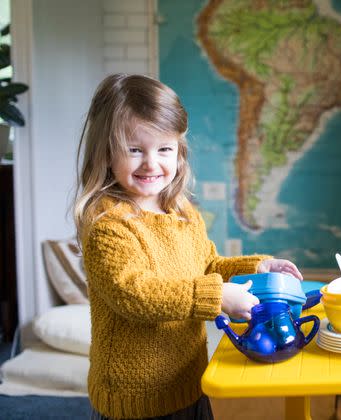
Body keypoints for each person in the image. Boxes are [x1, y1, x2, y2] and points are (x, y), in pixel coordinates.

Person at [73, 73, 302, 420]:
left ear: (179, 152)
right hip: (135, 400)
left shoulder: (182, 212)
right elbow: (135, 295)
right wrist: (218, 297)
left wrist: (256, 267)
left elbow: (208, 266)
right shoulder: (109, 225)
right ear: (107, 153)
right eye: (135, 150)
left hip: (187, 381)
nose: (151, 163)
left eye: (164, 149)